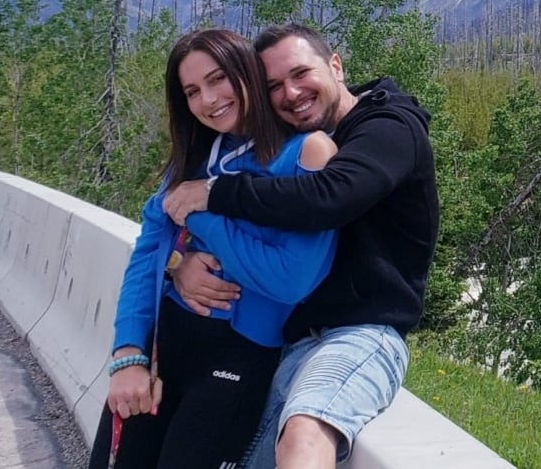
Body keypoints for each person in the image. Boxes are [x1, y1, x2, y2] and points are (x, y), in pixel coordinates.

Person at [163, 23, 440, 468]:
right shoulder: (279, 148)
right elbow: (244, 239)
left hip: (360, 334)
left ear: (335, 65)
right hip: (286, 340)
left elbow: (328, 197)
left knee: (306, 430)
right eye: (273, 85)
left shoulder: (388, 128)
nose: (290, 93)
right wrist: (178, 263)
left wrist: (214, 193)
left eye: (301, 73)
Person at [87, 28, 338, 469]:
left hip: (237, 361)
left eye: (218, 78)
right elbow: (147, 256)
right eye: (192, 91)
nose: (208, 99)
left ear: (247, 72)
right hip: (163, 350)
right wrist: (128, 353)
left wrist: (201, 213)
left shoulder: (306, 154)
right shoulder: (197, 156)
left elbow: (290, 278)